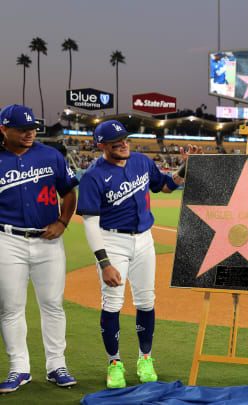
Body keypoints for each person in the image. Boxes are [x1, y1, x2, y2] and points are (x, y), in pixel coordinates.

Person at [76, 120, 202, 389]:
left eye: (124, 138)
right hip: (111, 240)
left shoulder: (141, 161)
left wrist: (185, 167)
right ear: (101, 146)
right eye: (115, 141)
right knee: (112, 302)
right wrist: (104, 261)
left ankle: (145, 358)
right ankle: (114, 363)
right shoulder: (93, 176)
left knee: (146, 300)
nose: (123, 143)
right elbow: (89, 222)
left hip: (144, 239)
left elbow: (166, 186)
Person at [0, 104, 78, 393]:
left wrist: (63, 222)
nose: (29, 133)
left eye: (32, 128)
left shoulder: (51, 155)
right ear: (4, 130)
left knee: (53, 305)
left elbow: (68, 191)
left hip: (49, 240)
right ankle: (18, 369)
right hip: (7, 240)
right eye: (22, 129)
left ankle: (56, 365)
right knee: (10, 308)